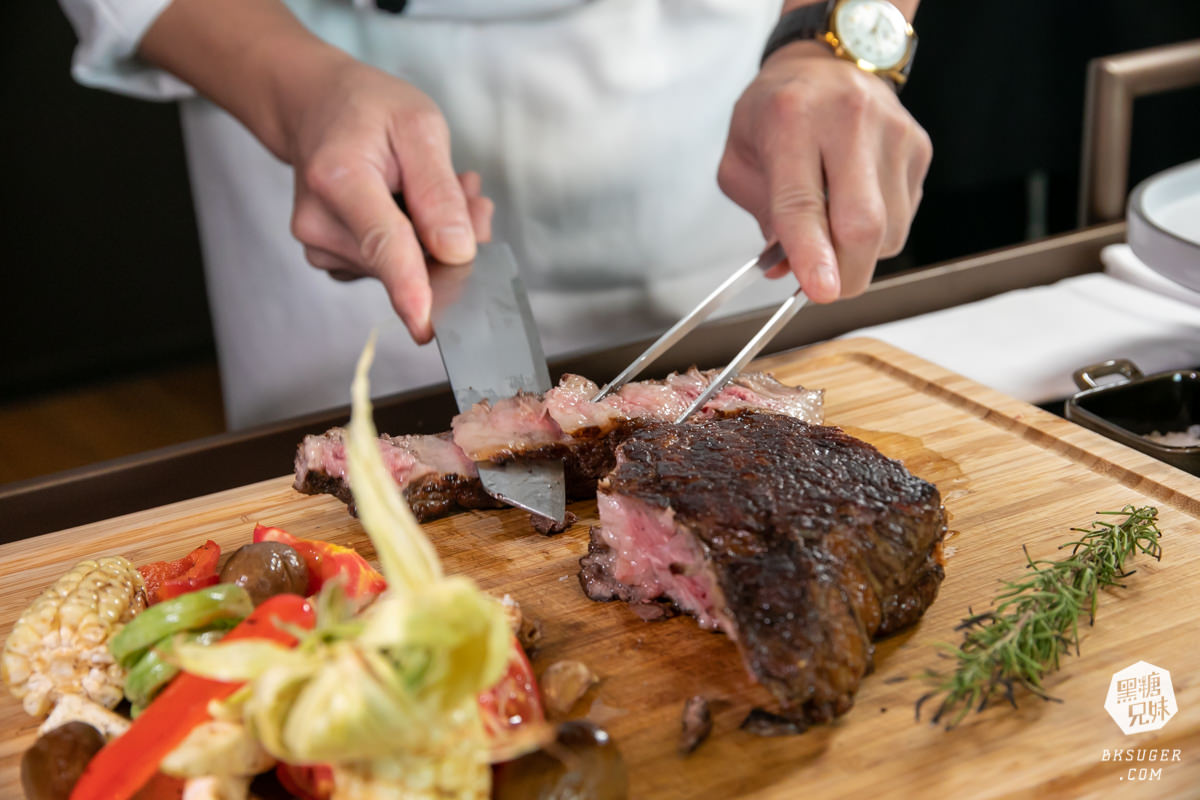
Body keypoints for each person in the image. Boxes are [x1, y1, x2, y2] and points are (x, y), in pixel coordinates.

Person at [58, 0, 930, 429]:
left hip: (695, 76)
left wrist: (836, 41)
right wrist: (294, 94)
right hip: (297, 58)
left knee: (742, 427)